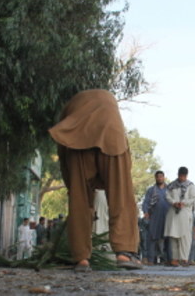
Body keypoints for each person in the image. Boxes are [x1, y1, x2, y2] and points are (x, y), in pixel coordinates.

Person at [48, 89, 142, 272]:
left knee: (79, 202)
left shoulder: (71, 107)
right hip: (112, 135)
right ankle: (123, 253)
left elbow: (63, 155)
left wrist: (72, 188)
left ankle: (81, 259)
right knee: (121, 198)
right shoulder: (109, 101)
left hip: (78, 139)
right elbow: (125, 168)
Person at [164, 166, 195, 266]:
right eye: (180, 176)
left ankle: (184, 258)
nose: (182, 178)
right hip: (173, 213)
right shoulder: (171, 185)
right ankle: (175, 258)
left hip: (185, 213)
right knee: (173, 236)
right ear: (178, 175)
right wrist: (174, 203)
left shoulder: (190, 185)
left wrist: (184, 203)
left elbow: (194, 198)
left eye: (184, 176)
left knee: (185, 237)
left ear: (186, 176)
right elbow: (167, 196)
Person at [141, 170, 170, 265]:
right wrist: (146, 212)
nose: (160, 178)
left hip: (167, 216)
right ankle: (150, 259)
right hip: (154, 217)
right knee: (152, 238)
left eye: (161, 176)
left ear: (164, 177)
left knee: (167, 239)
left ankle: (166, 260)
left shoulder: (169, 189)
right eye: (158, 177)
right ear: (156, 178)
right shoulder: (151, 190)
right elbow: (146, 202)